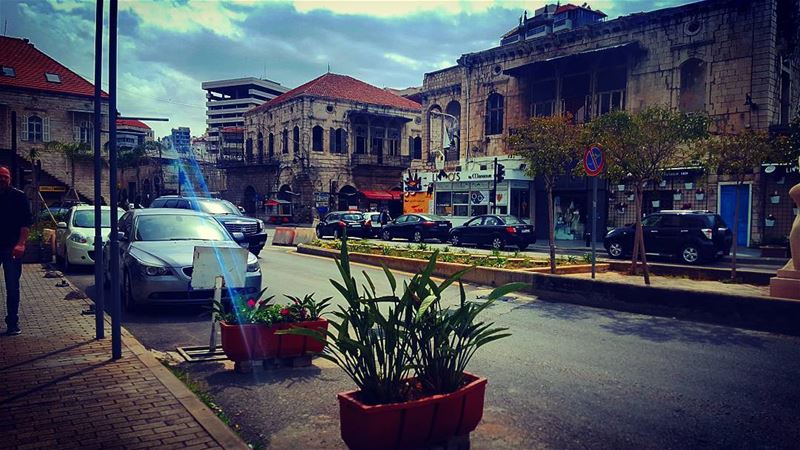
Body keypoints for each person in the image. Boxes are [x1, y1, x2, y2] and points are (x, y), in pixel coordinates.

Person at [0, 166, 33, 336]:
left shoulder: (19, 197)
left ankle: (12, 322)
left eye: (4, 177)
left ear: (9, 178)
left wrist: (21, 244)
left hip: (11, 247)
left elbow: (26, 223)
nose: (2, 180)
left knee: (12, 286)